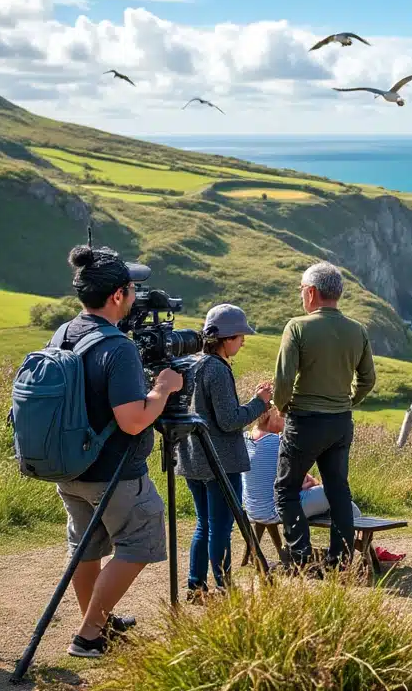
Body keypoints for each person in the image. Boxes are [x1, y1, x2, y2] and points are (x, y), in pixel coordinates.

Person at [54, 245, 184, 657]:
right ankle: (91, 633)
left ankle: (97, 621)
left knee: (86, 548)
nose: (134, 296)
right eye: (131, 289)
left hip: (69, 466)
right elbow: (132, 420)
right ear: (117, 296)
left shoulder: (64, 333)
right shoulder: (118, 347)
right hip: (113, 471)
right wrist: (163, 390)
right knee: (141, 541)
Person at [272, 261, 377, 571]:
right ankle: (339, 561)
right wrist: (347, 401)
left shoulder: (298, 327)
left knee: (286, 489)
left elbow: (283, 380)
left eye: (302, 290)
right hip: (340, 422)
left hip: (304, 420)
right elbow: (368, 379)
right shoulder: (357, 330)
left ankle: (302, 560)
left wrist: (282, 407)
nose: (302, 296)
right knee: (338, 490)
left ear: (312, 292)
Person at [176, 304, 272, 595]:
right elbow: (229, 421)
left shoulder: (192, 363)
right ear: (227, 338)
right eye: (241, 336)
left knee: (203, 525)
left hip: (192, 458)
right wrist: (260, 403)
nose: (243, 341)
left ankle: (196, 586)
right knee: (220, 526)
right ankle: (224, 586)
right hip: (220, 461)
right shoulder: (217, 369)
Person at [243, 410, 404, 562]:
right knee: (341, 500)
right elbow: (303, 480)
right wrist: (308, 483)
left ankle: (365, 545)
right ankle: (365, 545)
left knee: (331, 499)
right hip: (277, 509)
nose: (287, 419)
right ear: (269, 415)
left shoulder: (246, 439)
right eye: (282, 414)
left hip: (253, 509)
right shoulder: (278, 442)